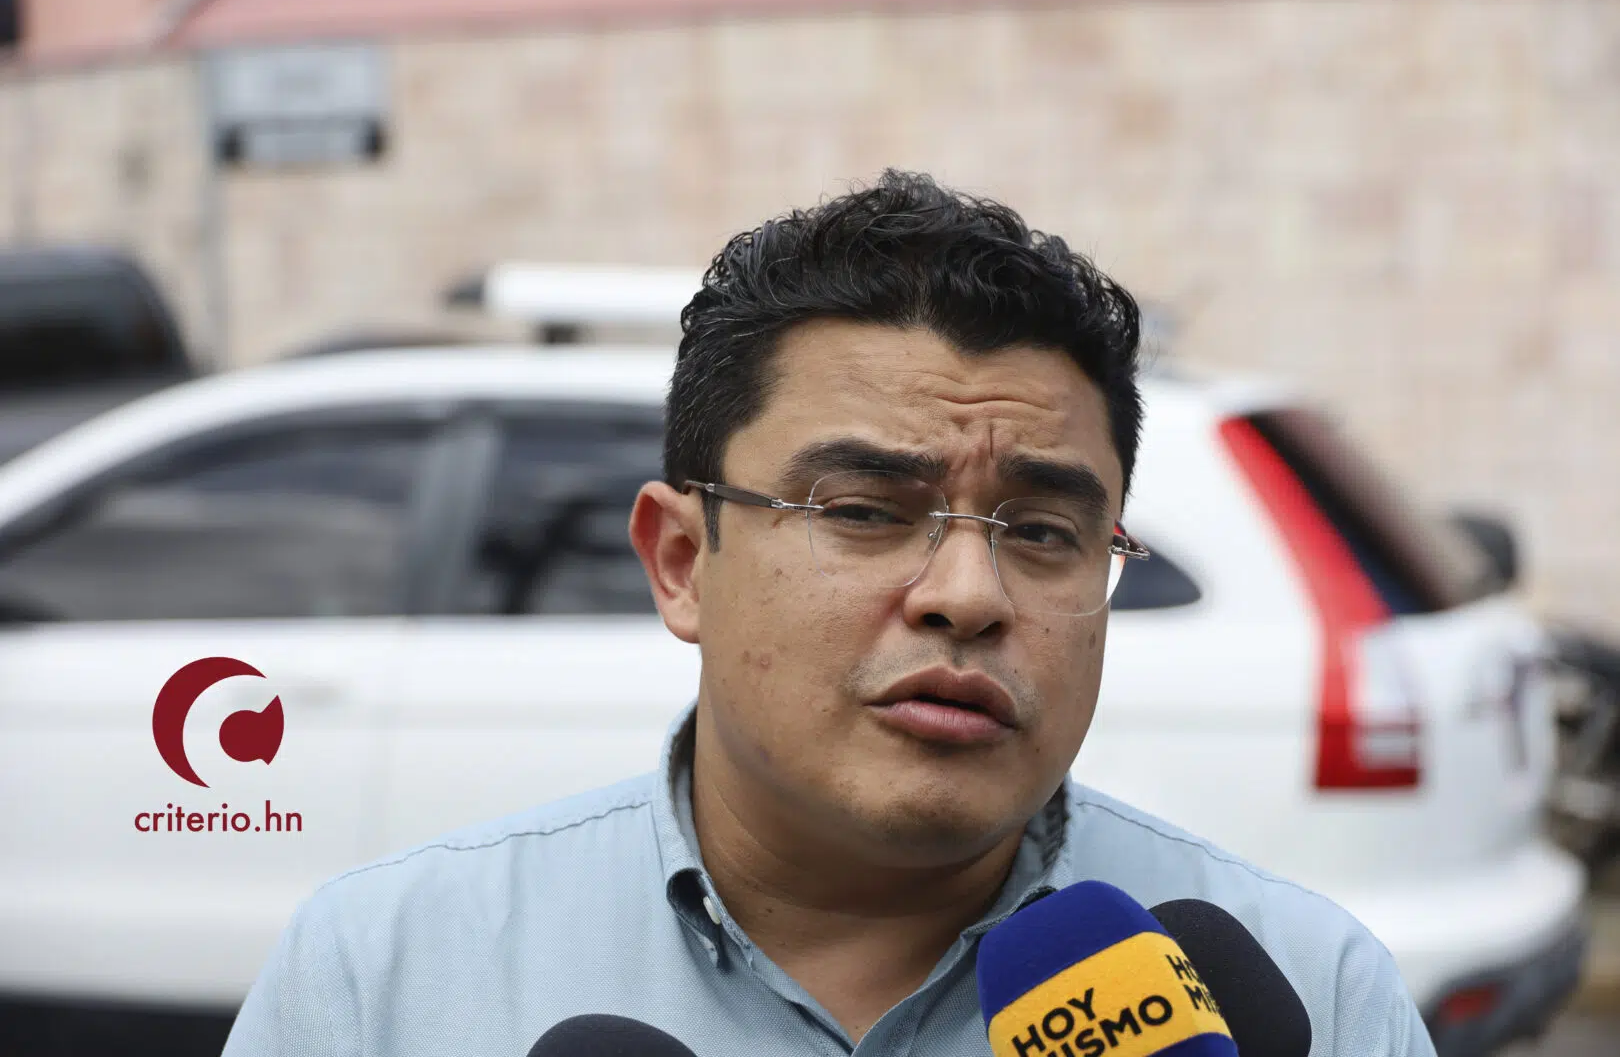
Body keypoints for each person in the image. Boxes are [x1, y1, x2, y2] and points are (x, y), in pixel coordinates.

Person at [222, 171, 1436, 1057]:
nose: (968, 597)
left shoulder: (1314, 997)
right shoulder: (381, 981)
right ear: (683, 561)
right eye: (862, 512)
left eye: (1042, 533)